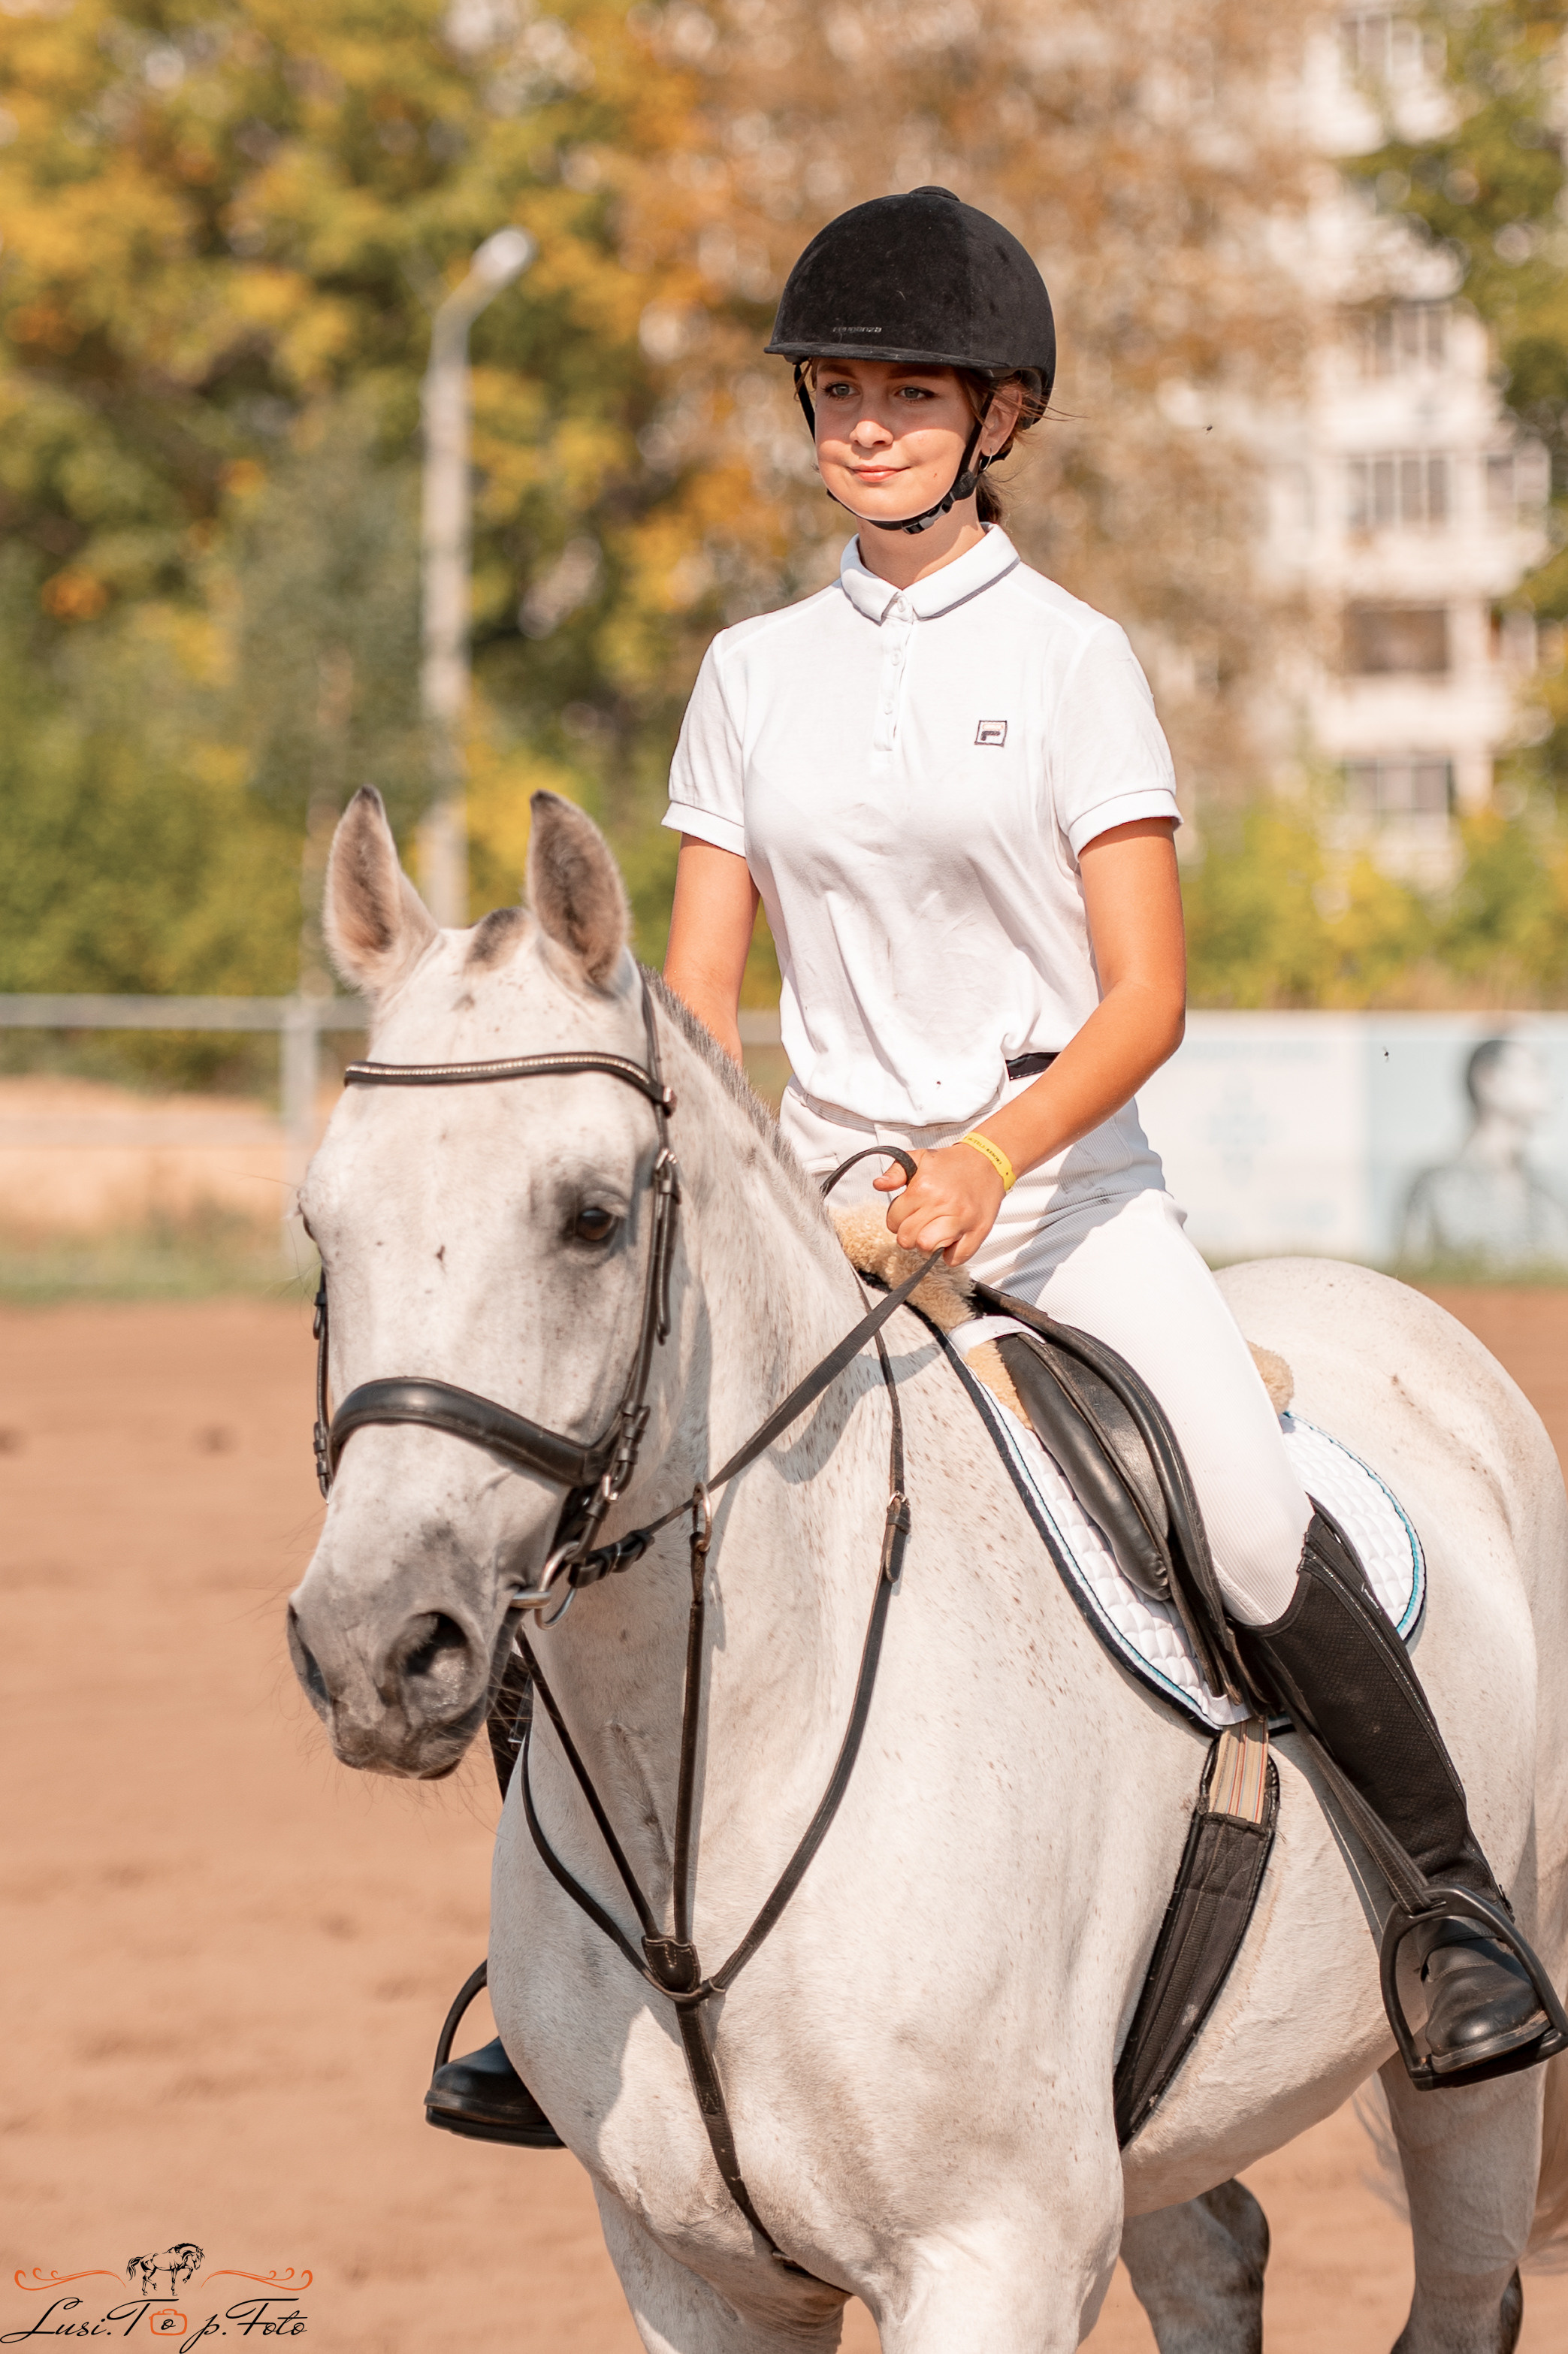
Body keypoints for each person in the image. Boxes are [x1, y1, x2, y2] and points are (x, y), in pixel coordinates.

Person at [425, 189, 1548, 2143]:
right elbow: (698, 987)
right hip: (810, 1213)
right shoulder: (746, 672)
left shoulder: (1068, 659)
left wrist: (979, 1160)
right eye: (834, 387)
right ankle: (556, 1980)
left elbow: (1145, 992)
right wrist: (747, 1178)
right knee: (582, 1511)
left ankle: (1444, 1906)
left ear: (995, 414)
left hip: (1056, 1198)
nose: (860, 422)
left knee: (1248, 1512)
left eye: (903, 391)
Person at [1401, 1035, 1568, 1273]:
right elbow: (1411, 1281)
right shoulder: (1435, 1187)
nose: (1552, 1087)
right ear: (1489, 1079)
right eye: (1535, 1073)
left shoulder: (1550, 1190)